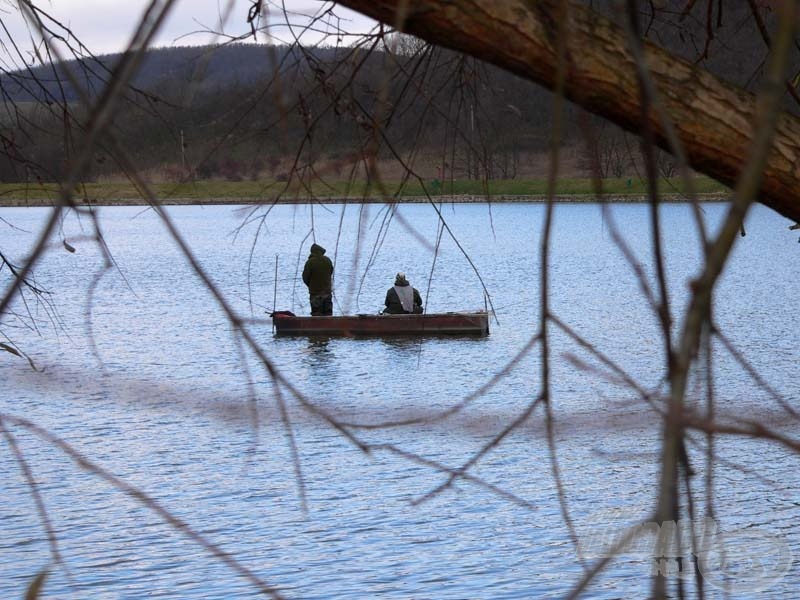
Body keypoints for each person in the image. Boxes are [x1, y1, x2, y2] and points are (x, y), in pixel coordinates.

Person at [302, 243, 334, 316]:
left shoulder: (310, 262)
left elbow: (305, 277)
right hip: (327, 292)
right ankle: (329, 327)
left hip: (315, 292)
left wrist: (310, 285)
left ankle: (316, 327)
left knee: (316, 314)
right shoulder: (328, 260)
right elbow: (331, 272)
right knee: (328, 314)